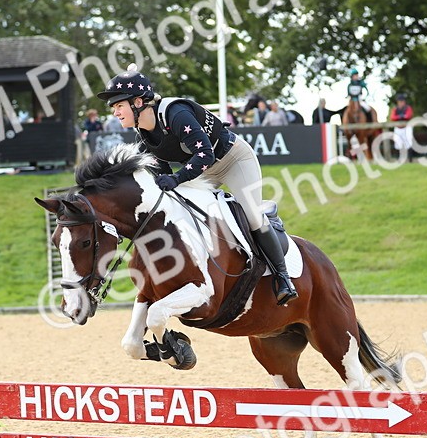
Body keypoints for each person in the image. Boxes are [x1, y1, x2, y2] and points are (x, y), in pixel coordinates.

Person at [96, 65, 297, 305]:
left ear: (138, 102)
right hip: (200, 170)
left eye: (119, 106)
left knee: (252, 216)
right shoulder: (143, 132)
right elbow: (162, 169)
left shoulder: (176, 114)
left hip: (233, 160)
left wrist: (177, 179)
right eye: (114, 108)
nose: (115, 113)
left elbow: (205, 155)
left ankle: (282, 277)